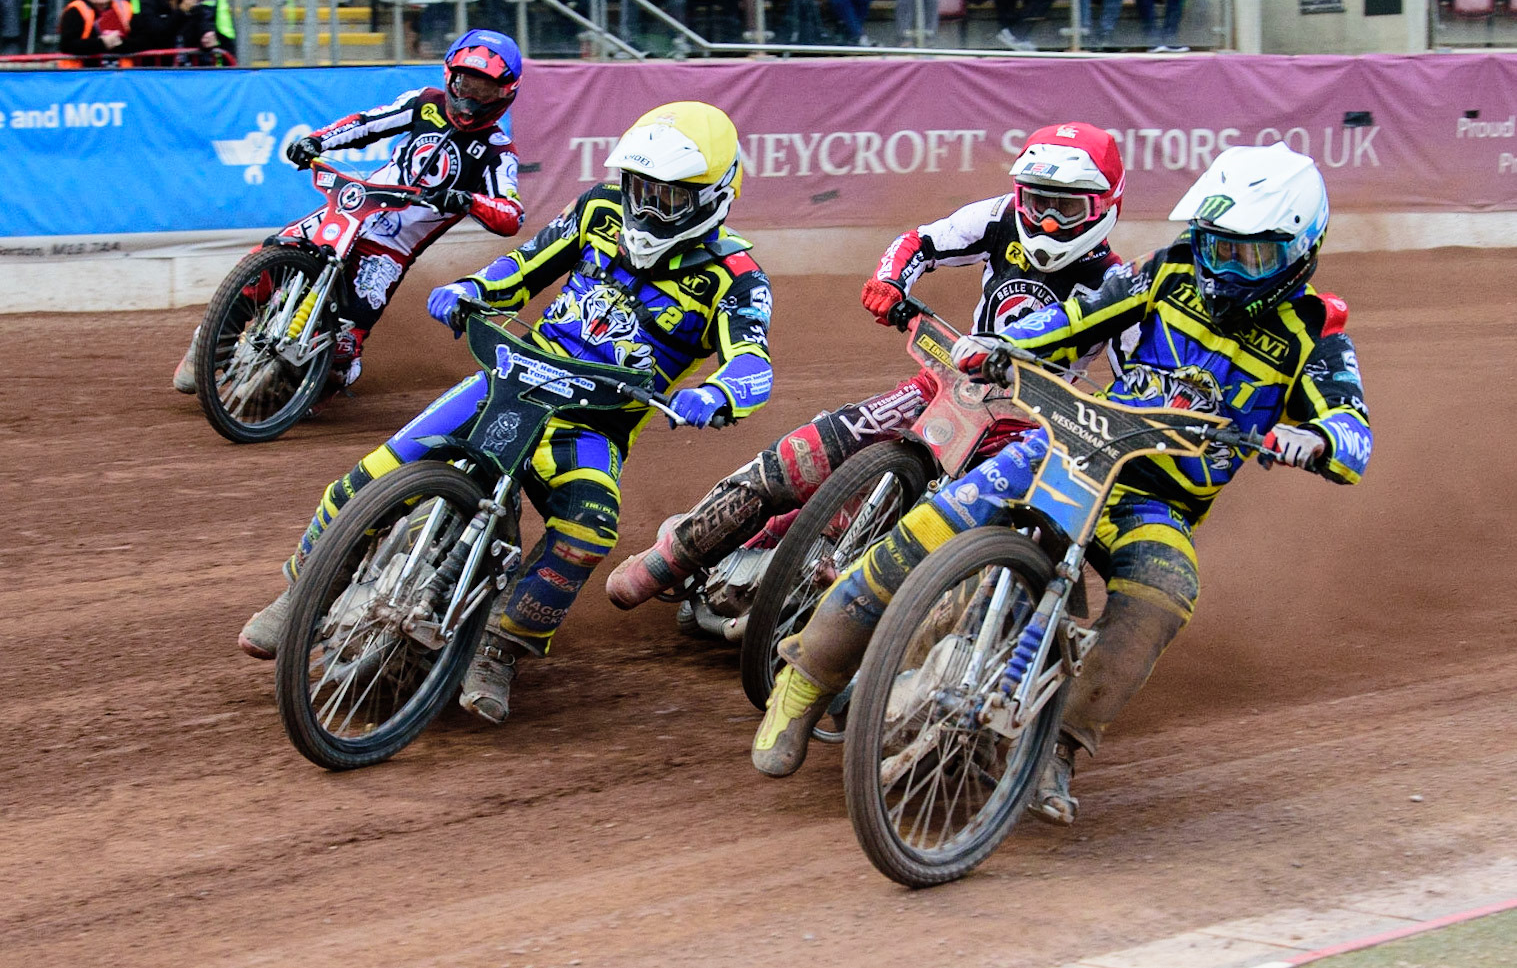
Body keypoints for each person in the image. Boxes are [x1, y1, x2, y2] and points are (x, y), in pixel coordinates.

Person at [746, 144, 1373, 818]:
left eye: (1249, 255)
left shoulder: (1315, 336)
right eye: (1215, 246)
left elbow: (1352, 434)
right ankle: (805, 680)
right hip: (1068, 447)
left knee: (1165, 588)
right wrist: (1005, 347)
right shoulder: (1168, 272)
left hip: (1154, 499)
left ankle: (1058, 747)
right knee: (924, 530)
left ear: (1301, 251)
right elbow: (1076, 319)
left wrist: (1312, 439)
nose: (1224, 267)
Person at [236, 101, 775, 727]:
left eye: (668, 198)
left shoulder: (737, 279)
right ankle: (303, 591)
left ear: (714, 197)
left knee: (591, 527)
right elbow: (523, 265)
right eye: (639, 188)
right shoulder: (600, 208)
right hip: (513, 376)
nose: (646, 208)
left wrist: (716, 394)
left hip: (592, 423)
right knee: (368, 476)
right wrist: (472, 289)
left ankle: (500, 645)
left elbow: (752, 363)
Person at [606, 122, 1128, 611]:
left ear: (1105, 207)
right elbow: (920, 241)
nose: (1048, 221)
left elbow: (1135, 387)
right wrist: (890, 283)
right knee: (808, 450)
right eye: (1037, 202)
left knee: (989, 540)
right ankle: (669, 559)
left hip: (1030, 425)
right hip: (949, 383)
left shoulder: (1117, 284)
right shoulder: (999, 217)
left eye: (1066, 207)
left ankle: (912, 625)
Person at [171, 29, 526, 395]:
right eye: (466, 84)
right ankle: (211, 344)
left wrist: (468, 201)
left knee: (344, 348)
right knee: (265, 261)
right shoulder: (425, 103)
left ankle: (310, 385)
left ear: (504, 93)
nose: (470, 98)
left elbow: (511, 214)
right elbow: (367, 123)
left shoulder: (499, 150)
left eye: (483, 91)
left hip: (392, 248)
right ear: (450, 75)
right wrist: (317, 140)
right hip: (353, 207)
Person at [133, 0, 217, 63]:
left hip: (189, 68)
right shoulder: (149, 2)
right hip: (158, 69)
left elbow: (202, 22)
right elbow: (158, 34)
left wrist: (206, 37)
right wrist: (182, 11)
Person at [57, 0, 137, 66]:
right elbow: (67, 45)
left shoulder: (125, 8)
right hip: (82, 75)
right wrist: (102, 43)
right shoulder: (75, 10)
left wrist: (118, 43)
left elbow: (143, 40)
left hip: (121, 74)